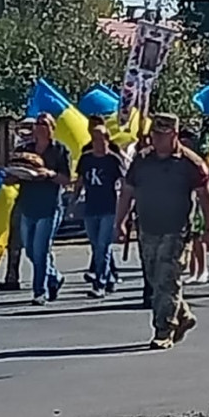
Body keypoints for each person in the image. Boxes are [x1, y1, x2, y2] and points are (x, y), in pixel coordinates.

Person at [116, 114, 209, 350]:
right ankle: (182, 315)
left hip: (176, 231)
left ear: (174, 135)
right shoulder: (142, 160)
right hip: (147, 228)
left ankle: (164, 329)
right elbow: (127, 191)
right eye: (154, 134)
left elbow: (206, 196)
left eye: (162, 135)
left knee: (167, 280)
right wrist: (120, 222)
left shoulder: (189, 163)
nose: (156, 139)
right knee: (155, 278)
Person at [6, 113, 71, 306]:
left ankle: (39, 291)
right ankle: (55, 276)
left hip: (50, 206)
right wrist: (13, 176)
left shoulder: (59, 150)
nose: (40, 127)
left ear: (52, 128)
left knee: (41, 250)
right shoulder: (25, 149)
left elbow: (66, 179)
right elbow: (12, 175)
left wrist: (49, 173)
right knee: (30, 251)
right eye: (38, 124)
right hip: (27, 204)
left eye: (45, 124)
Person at [75, 120, 127, 298]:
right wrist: (73, 201)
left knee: (103, 246)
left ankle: (100, 283)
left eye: (99, 138)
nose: (96, 142)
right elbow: (80, 181)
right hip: (91, 207)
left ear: (106, 139)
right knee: (96, 245)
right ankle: (110, 277)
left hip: (109, 207)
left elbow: (125, 183)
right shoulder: (86, 159)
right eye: (94, 139)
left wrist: (125, 209)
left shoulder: (113, 160)